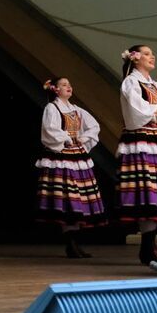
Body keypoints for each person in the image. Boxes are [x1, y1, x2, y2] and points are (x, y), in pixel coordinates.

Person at [117, 44, 157, 267]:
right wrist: (156, 112)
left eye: (152, 54)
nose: (152, 57)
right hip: (141, 141)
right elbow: (136, 110)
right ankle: (148, 248)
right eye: (147, 54)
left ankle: (148, 247)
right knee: (146, 194)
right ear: (136, 58)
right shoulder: (131, 82)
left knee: (155, 193)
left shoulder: (155, 86)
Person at [37, 78, 104, 258]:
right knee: (68, 200)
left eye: (69, 84)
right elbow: (49, 130)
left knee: (78, 200)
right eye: (64, 84)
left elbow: (93, 125)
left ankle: (74, 243)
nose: (69, 87)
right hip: (62, 157)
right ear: (55, 89)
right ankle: (70, 243)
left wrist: (83, 138)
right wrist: (67, 138)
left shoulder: (76, 109)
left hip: (77, 157)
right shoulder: (52, 108)